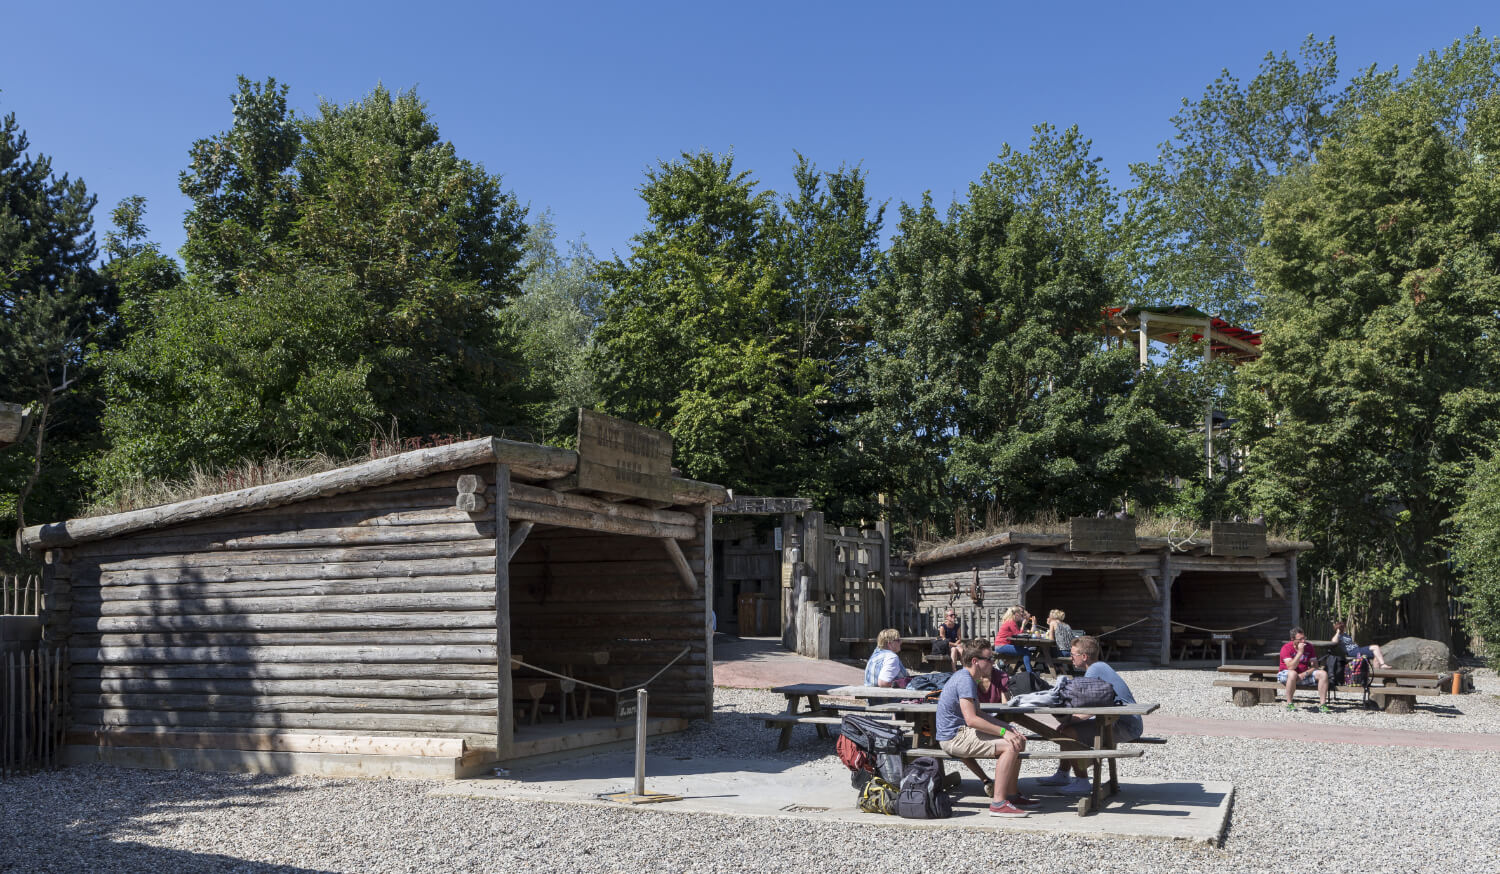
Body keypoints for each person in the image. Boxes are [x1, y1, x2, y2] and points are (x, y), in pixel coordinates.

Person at [936, 640, 1033, 817]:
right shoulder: (965, 680)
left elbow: (978, 713)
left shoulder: (968, 678)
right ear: (975, 661)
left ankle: (1011, 795)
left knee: (1018, 740)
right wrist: (1004, 733)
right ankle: (998, 803)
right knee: (1010, 745)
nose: (993, 663)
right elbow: (972, 720)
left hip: (959, 733)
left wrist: (1007, 727)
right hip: (953, 737)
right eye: (989, 659)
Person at [1040, 635, 1143, 795]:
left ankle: (1082, 781)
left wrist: (1070, 720)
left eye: (1073, 654)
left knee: (1067, 732)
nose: (1070, 658)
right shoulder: (1100, 667)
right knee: (1066, 728)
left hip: (1124, 725)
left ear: (1084, 656)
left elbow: (1088, 707)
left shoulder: (1094, 670)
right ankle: (1063, 774)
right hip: (1124, 721)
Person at [1277, 627, 1330, 712]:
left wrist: (1305, 674)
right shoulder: (1286, 648)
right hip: (1286, 675)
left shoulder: (1309, 646)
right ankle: (1289, 704)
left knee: (1323, 674)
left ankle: (1323, 705)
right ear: (1292, 639)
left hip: (1303, 675)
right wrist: (1300, 652)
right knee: (1293, 673)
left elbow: (1315, 666)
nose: (1303, 641)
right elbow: (1290, 667)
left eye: (1304, 638)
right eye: (1300, 639)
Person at [991, 606, 1034, 673]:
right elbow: (1018, 635)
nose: (1021, 615)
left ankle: (1002, 666)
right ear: (1016, 614)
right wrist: (1023, 624)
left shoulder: (1010, 621)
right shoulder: (1011, 622)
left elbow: (1017, 634)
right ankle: (1030, 672)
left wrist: (1024, 624)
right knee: (1025, 651)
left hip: (1000, 645)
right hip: (1002, 646)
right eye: (1020, 614)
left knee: (1023, 651)